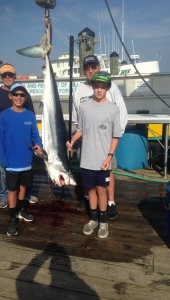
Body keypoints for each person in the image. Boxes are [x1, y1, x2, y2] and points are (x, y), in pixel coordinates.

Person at [72, 55, 128, 220]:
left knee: (107, 172)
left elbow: (121, 113)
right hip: (86, 139)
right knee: (86, 172)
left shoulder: (111, 88)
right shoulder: (80, 89)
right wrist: (75, 137)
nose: (90, 70)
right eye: (87, 68)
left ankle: (111, 203)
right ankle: (88, 199)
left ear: (99, 66)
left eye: (93, 66)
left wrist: (115, 137)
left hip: (105, 142)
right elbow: (77, 116)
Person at [67, 71, 122, 238]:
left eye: (102, 87)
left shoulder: (113, 109)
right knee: (90, 189)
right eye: (96, 86)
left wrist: (109, 157)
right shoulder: (84, 107)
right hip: (87, 160)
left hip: (103, 160)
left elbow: (115, 136)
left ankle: (103, 221)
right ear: (92, 87)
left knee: (102, 191)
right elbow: (81, 129)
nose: (99, 90)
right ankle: (93, 219)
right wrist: (72, 140)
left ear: (107, 88)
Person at [0, 63, 38, 209]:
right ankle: (4, 195)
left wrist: (35, 140)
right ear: (1, 77)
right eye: (4, 75)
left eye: (10, 75)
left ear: (15, 76)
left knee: (26, 169)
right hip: (6, 139)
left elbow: (31, 115)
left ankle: (27, 193)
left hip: (23, 140)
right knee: (5, 168)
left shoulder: (22, 92)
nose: (8, 77)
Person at [0, 83, 43, 236]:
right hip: (10, 163)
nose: (18, 97)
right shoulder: (4, 115)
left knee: (23, 188)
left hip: (26, 162)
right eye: (15, 94)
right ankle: (12, 219)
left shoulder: (30, 115)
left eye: (22, 95)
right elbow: (0, 140)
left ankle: (21, 210)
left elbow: (35, 135)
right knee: (11, 191)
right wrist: (4, 161)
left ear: (26, 97)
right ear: (10, 96)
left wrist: (39, 145)